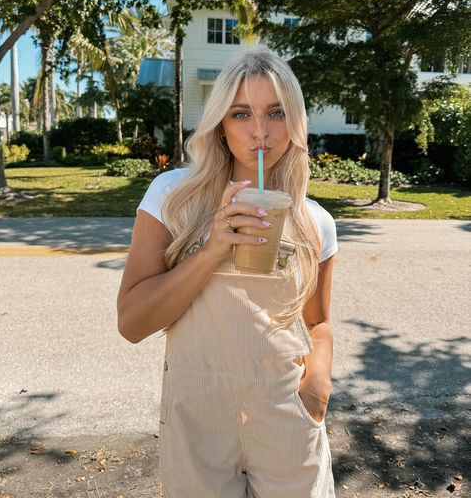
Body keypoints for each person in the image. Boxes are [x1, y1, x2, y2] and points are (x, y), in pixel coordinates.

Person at [117, 47, 338, 497]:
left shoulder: (315, 220)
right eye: (241, 114)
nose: (260, 131)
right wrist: (214, 248)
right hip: (196, 414)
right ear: (220, 124)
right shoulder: (171, 197)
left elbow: (318, 323)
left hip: (286, 415)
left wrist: (317, 381)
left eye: (276, 112)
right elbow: (132, 323)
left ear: (294, 121)